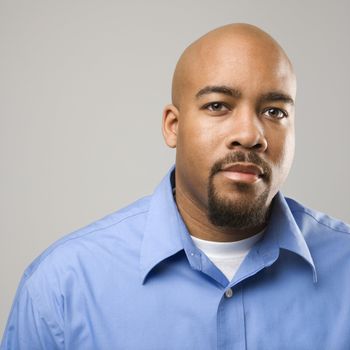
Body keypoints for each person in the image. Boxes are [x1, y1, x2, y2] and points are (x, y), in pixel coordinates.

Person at [1, 23, 350, 350]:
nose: (249, 134)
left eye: (274, 112)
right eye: (218, 106)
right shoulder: (62, 289)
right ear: (173, 126)